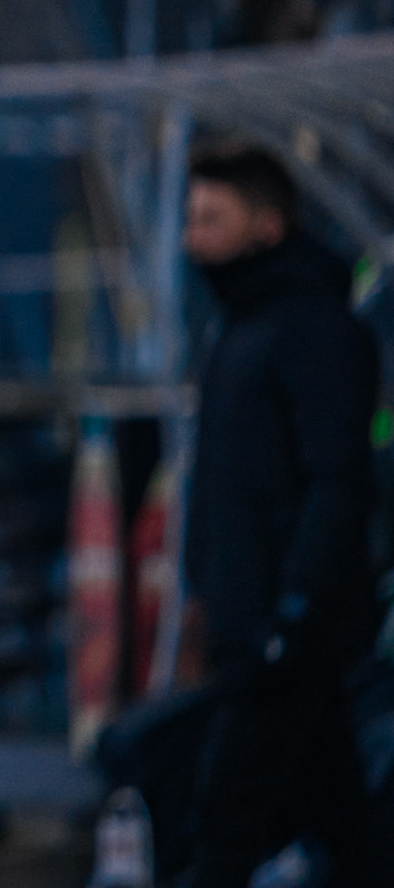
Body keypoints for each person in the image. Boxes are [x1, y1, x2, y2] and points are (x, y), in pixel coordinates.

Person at [179, 145, 381, 887]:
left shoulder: (311, 330)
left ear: (266, 226)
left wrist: (294, 609)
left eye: (211, 219)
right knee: (345, 821)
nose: (192, 238)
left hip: (284, 633)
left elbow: (337, 480)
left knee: (225, 820)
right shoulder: (239, 330)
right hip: (258, 628)